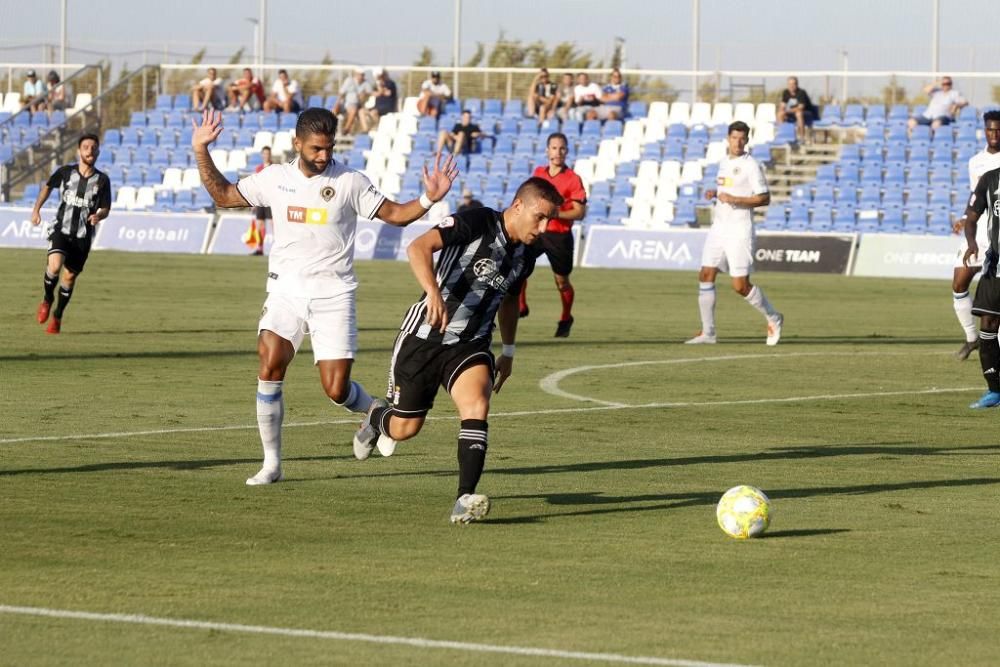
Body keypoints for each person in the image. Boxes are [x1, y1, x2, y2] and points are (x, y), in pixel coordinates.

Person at [190, 107, 458, 485]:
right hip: (285, 290)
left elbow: (396, 214)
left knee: (335, 390)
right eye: (316, 148)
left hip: (334, 294)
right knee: (269, 364)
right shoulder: (275, 179)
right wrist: (201, 149)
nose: (323, 156)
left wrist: (428, 200)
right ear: (296, 143)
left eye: (328, 148)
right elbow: (223, 195)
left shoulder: (349, 181)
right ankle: (272, 464)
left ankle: (373, 412)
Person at [352, 177, 562, 523]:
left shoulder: (527, 253)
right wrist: (433, 293)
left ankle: (464, 499)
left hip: (471, 343)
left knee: (477, 404)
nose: (544, 227)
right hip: (424, 338)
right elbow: (418, 247)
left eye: (549, 220)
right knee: (405, 429)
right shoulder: (477, 221)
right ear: (518, 206)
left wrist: (508, 350)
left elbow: (510, 299)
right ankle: (376, 415)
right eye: (540, 217)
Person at [686, 120, 783, 346]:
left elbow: (764, 197)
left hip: (740, 230)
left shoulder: (751, 165)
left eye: (742, 138)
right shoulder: (723, 162)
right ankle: (708, 333)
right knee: (705, 275)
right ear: (728, 139)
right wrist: (715, 193)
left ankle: (774, 317)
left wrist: (735, 199)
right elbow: (727, 190)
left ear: (747, 140)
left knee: (740, 286)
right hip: (719, 228)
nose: (738, 142)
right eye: (734, 138)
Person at [29, 134, 112, 334]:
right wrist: (36, 209)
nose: (90, 151)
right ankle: (47, 300)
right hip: (61, 229)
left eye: (93, 147)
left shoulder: (102, 180)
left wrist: (98, 217)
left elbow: (106, 208)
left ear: (98, 152)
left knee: (69, 278)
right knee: (55, 266)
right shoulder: (66, 172)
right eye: (86, 147)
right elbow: (48, 187)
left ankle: (57, 316)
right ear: (79, 151)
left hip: (82, 236)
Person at [517, 132, 587, 337]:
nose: (558, 152)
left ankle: (566, 318)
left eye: (562, 148)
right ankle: (521, 306)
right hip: (539, 231)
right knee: (518, 266)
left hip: (560, 236)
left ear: (567, 151)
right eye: (554, 148)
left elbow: (579, 212)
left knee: (561, 281)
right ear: (547, 150)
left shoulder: (573, 179)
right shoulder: (539, 173)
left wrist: (555, 213)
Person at [952, 111, 1000, 361]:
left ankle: (992, 341)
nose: (994, 134)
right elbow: (975, 195)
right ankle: (972, 338)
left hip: (998, 234)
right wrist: (964, 218)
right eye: (990, 130)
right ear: (984, 130)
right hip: (979, 231)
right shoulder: (975, 161)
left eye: (998, 130)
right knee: (959, 283)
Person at [963, 163, 1000, 408]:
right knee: (988, 323)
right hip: (996, 264)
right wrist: (971, 242)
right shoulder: (990, 179)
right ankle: (994, 390)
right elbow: (971, 217)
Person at [244, 146, 274, 256]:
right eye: (264, 153)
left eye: (268, 153)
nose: (266, 155)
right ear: (262, 155)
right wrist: (253, 201)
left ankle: (278, 249)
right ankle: (260, 249)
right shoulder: (258, 168)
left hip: (271, 201)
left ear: (270, 155)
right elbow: (256, 186)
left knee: (274, 225)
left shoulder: (275, 167)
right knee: (260, 225)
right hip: (260, 200)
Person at [332, 69, 373, 134]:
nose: (361, 76)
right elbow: (341, 92)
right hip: (345, 104)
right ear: (356, 74)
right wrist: (338, 103)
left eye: (362, 75)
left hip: (355, 106)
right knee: (335, 109)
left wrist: (364, 94)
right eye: (360, 74)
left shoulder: (366, 83)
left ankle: (346, 129)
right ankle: (330, 126)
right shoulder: (349, 80)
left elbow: (370, 93)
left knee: (354, 110)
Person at [776, 76, 816, 143]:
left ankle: (802, 137)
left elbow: (801, 107)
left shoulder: (801, 92)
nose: (791, 86)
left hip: (807, 113)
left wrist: (787, 111)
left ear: (796, 84)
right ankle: (783, 136)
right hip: (792, 112)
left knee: (798, 113)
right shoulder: (786, 92)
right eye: (789, 84)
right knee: (780, 113)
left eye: (793, 84)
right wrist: (783, 112)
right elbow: (782, 105)